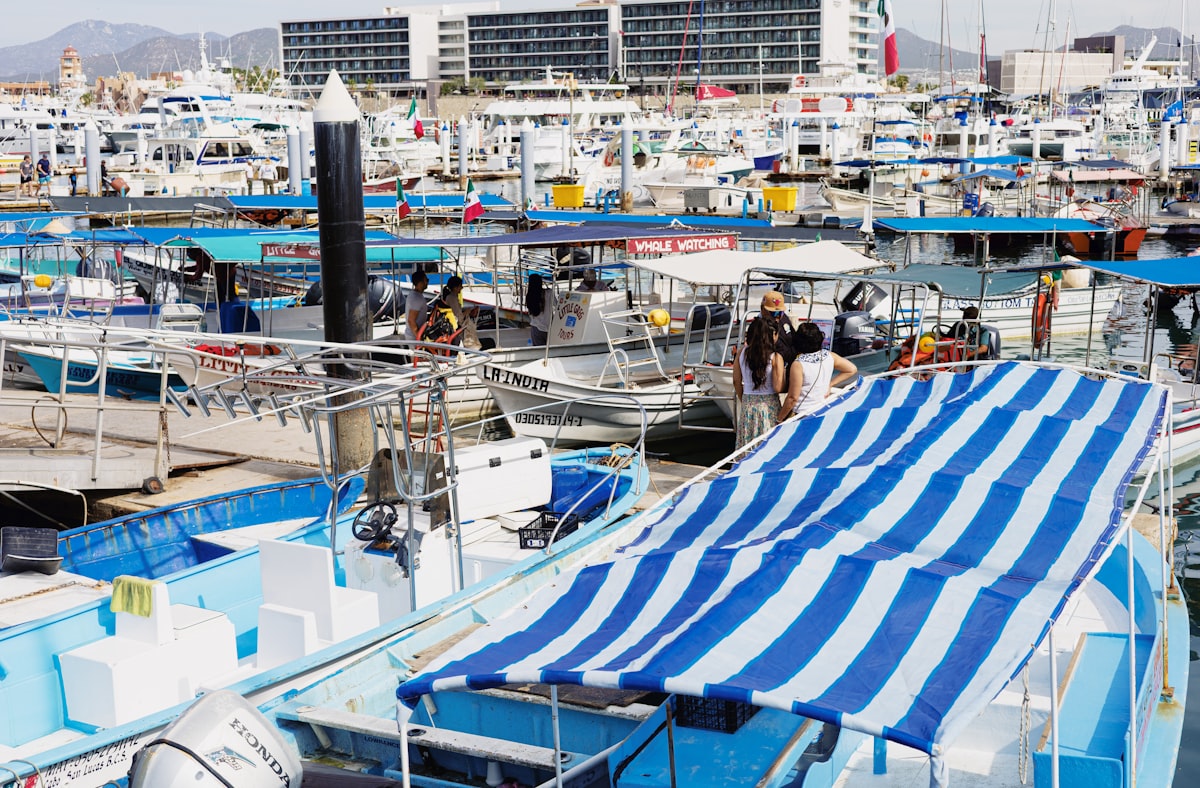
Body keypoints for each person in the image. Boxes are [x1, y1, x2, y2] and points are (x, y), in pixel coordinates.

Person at [778, 322, 858, 422]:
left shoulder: (798, 364)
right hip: (821, 410)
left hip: (802, 413)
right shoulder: (829, 356)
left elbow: (793, 397)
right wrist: (830, 384)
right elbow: (851, 369)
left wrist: (779, 419)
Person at [732, 317, 785, 448]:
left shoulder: (741, 353)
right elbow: (778, 387)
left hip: (748, 404)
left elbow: (736, 380)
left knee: (747, 446)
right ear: (772, 335)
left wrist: (744, 398)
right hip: (769, 406)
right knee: (768, 446)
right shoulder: (775, 357)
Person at [759, 290, 797, 370]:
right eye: (774, 314)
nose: (778, 317)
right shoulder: (760, 327)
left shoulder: (783, 318)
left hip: (791, 361)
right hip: (775, 367)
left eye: (780, 313)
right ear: (763, 310)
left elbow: (794, 336)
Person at [526, 273, 555, 346]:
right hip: (548, 328)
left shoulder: (529, 296)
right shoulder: (549, 293)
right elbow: (557, 305)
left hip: (536, 328)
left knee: (538, 352)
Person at [404, 269, 430, 342]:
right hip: (414, 337)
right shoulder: (416, 298)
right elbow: (411, 320)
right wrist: (419, 338)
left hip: (414, 336)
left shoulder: (415, 295)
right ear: (420, 282)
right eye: (426, 280)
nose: (427, 282)